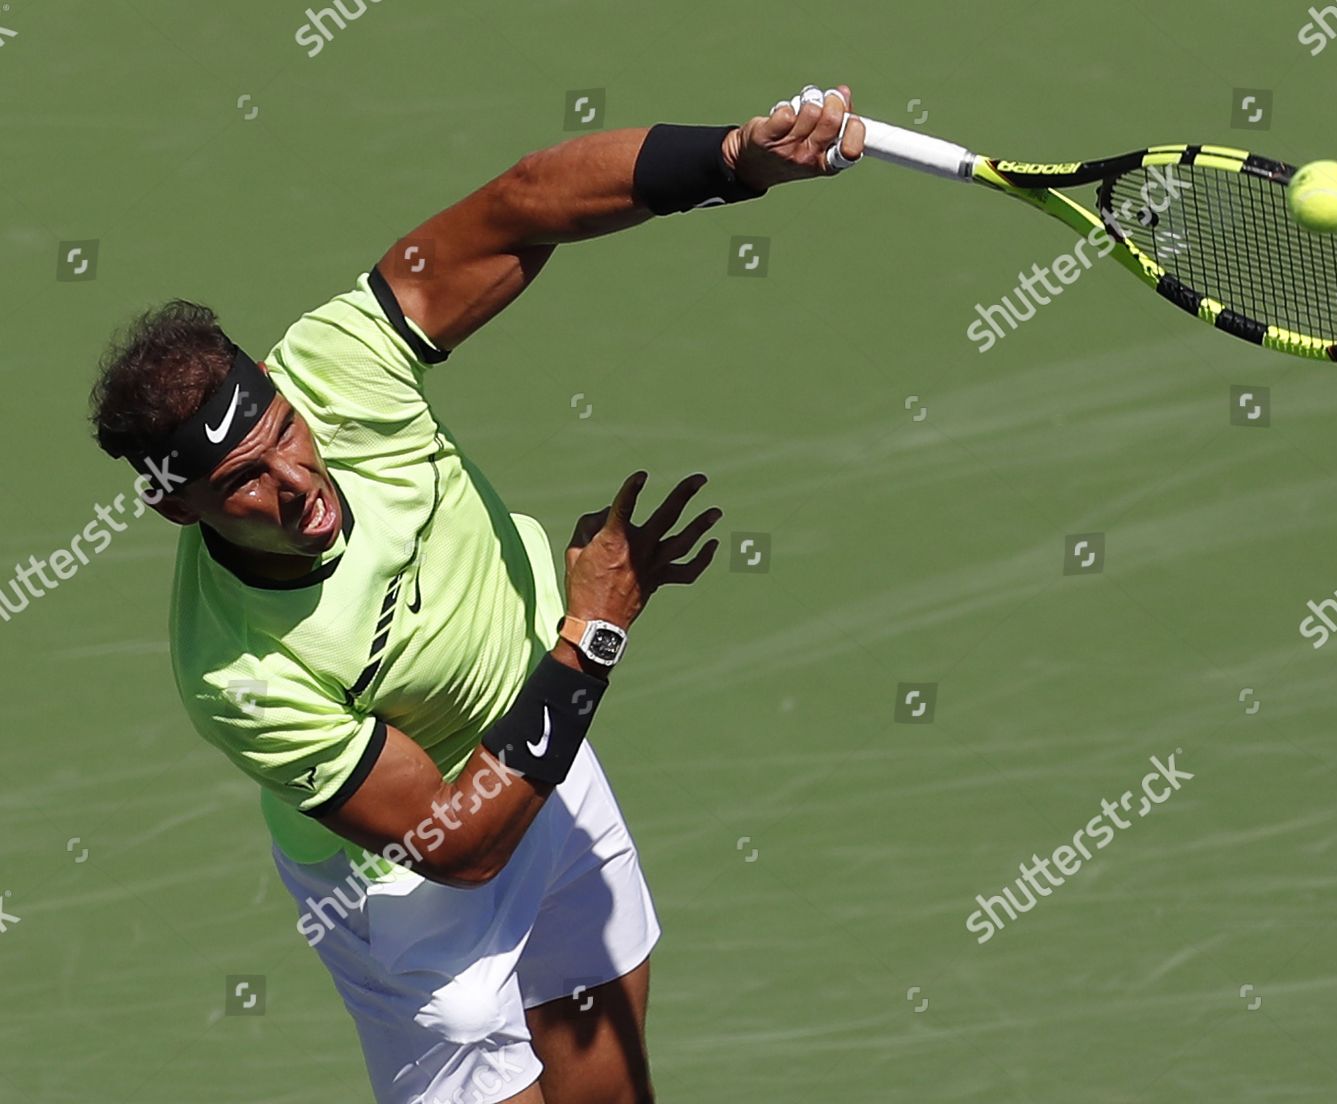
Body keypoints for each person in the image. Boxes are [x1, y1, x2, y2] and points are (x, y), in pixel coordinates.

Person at [85, 86, 865, 1103]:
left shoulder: (340, 364)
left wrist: (732, 159)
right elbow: (453, 839)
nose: (295, 485)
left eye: (282, 432)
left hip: (546, 758)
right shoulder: (239, 675)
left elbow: (523, 204)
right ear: (179, 509)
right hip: (408, 893)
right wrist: (592, 631)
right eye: (241, 482)